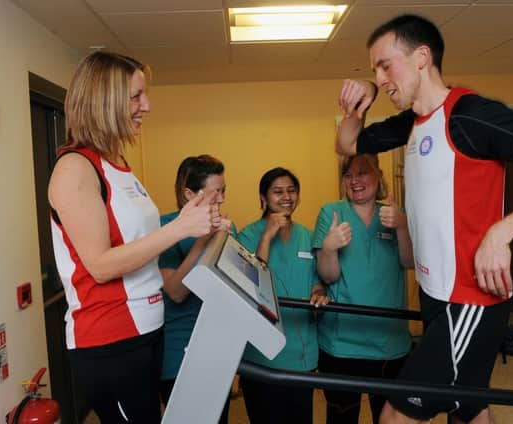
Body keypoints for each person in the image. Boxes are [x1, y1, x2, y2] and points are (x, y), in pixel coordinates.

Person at [334, 14, 513, 424]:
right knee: (468, 407)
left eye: (386, 65)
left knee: (394, 415)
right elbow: (347, 143)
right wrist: (361, 99)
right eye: (374, 70)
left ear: (422, 56)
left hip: (469, 298)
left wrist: (503, 231)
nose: (381, 77)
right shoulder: (413, 123)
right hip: (433, 292)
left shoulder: (472, 115)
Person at [48, 51, 219, 423]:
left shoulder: (119, 164)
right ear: (105, 102)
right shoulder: (75, 168)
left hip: (147, 327)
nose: (147, 106)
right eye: (136, 97)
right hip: (110, 338)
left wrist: (191, 223)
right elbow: (100, 265)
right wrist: (179, 228)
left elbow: (139, 246)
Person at [312, 154, 413, 424]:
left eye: (362, 173)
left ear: (378, 175)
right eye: (348, 175)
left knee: (389, 417)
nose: (355, 181)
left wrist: (402, 226)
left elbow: (409, 262)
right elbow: (328, 276)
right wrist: (329, 248)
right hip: (342, 342)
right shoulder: (331, 213)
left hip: (389, 342)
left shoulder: (393, 214)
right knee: (341, 416)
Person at [237, 167, 330, 424]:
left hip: (301, 353)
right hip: (261, 355)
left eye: (291, 191)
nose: (286, 196)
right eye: (277, 192)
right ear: (264, 198)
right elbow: (251, 285)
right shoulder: (248, 234)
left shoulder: (308, 236)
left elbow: (316, 283)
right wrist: (267, 236)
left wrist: (319, 294)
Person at [157, 155, 234, 421]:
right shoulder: (165, 227)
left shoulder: (223, 226)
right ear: (189, 194)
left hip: (215, 347)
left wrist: (226, 242)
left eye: (224, 191)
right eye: (216, 193)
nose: (222, 199)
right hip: (180, 353)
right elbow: (175, 292)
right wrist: (205, 240)